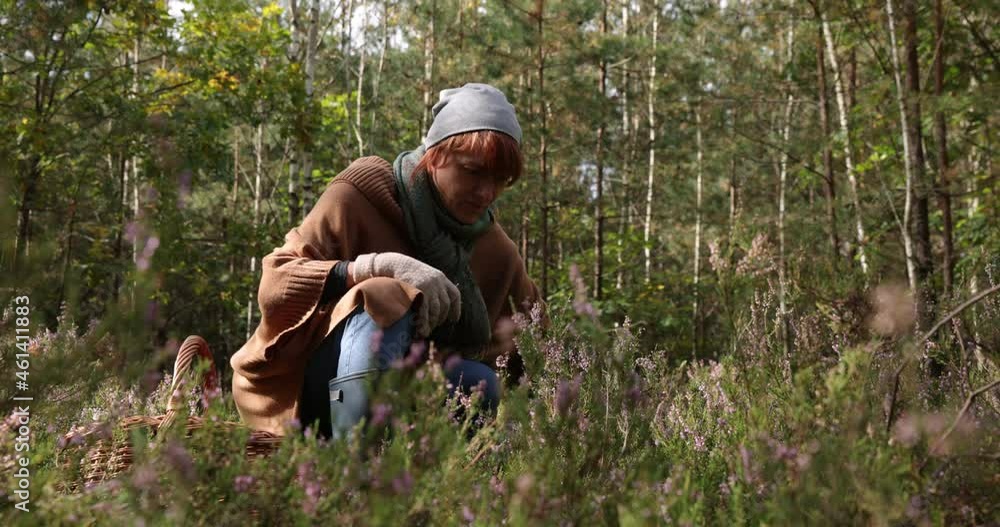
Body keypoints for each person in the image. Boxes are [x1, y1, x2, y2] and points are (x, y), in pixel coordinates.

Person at [229, 83, 544, 439]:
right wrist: (373, 266)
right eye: (473, 171)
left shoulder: (495, 252)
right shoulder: (364, 192)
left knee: (479, 382)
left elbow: (540, 346)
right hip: (306, 392)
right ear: (436, 154)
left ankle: (411, 484)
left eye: (500, 181)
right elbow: (276, 280)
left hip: (404, 404)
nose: (487, 193)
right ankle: (350, 471)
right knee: (384, 293)